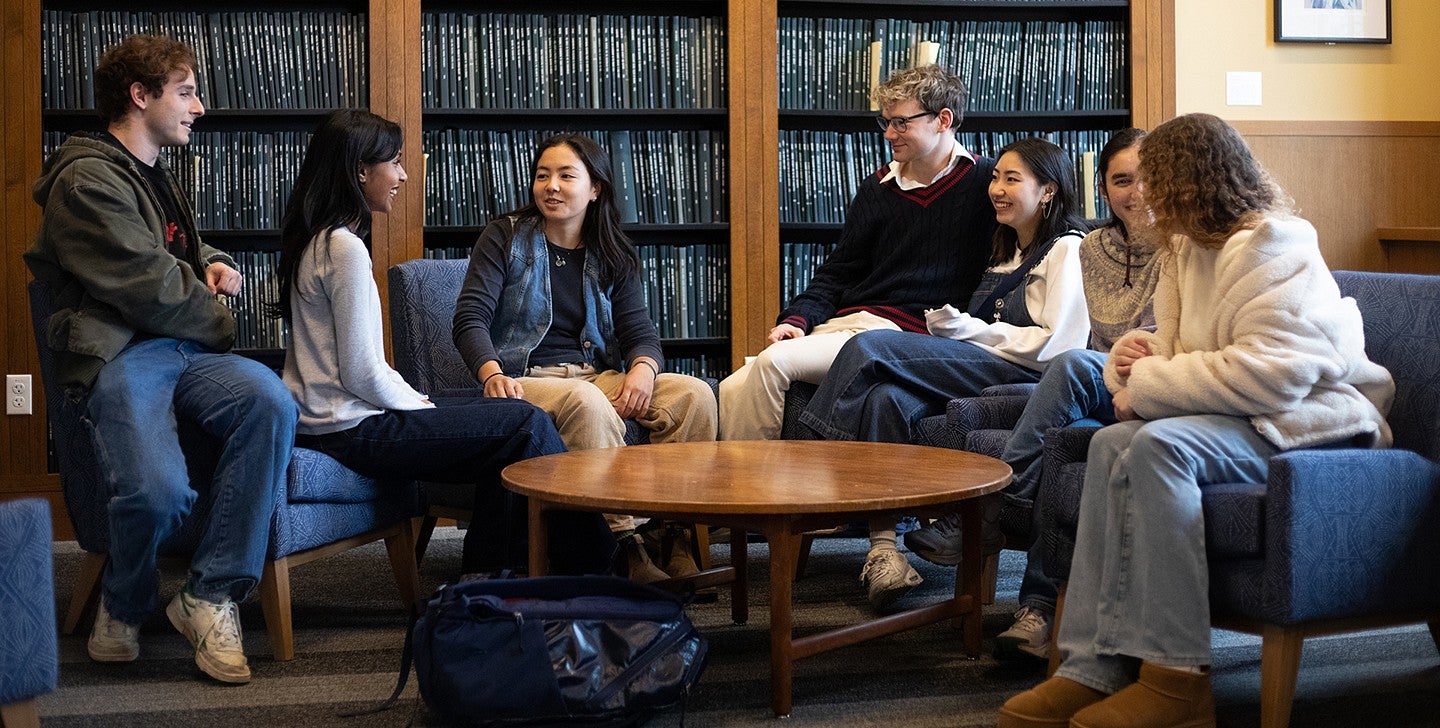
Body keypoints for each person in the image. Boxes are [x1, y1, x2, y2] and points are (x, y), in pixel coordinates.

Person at [997, 113, 1394, 728]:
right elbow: (1190, 352)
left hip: (1310, 422)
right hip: (1244, 416)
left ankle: (1178, 681)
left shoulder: (1274, 242)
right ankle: (1091, 667)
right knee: (1110, 445)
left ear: (1191, 183)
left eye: (1153, 181)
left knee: (1158, 448)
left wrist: (1147, 385)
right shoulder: (1186, 248)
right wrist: (1135, 360)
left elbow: (1277, 373)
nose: (1143, 197)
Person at [25, 34, 296, 684]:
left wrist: (210, 264)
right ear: (139, 96)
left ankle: (210, 594)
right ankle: (123, 602)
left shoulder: (154, 175)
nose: (199, 106)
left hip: (179, 348)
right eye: (185, 91)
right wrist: (212, 306)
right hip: (121, 352)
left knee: (270, 402)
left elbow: (179, 252)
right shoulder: (85, 181)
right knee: (159, 493)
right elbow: (147, 283)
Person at [274, 111, 612, 579]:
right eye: (393, 162)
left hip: (335, 420)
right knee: (523, 426)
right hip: (351, 427)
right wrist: (419, 402)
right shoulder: (344, 248)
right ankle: (598, 569)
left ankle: (498, 573)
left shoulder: (318, 241)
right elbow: (361, 372)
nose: (403, 175)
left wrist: (415, 401)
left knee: (512, 427)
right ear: (360, 171)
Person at [798, 137, 1092, 609]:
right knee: (884, 398)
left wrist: (972, 331)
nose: (996, 187)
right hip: (984, 365)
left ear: (1050, 192)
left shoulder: (1066, 250)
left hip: (1023, 376)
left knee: (868, 347)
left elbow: (1061, 346)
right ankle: (885, 547)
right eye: (995, 176)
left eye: (1012, 179)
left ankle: (817, 467)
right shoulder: (1004, 250)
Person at [904, 128, 1163, 659]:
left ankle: (1024, 575)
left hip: (1151, 378)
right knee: (1064, 430)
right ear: (1104, 189)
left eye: (1145, 179)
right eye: (1119, 181)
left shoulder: (1181, 247)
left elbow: (1156, 339)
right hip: (1104, 379)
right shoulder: (1095, 249)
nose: (1133, 192)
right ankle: (1036, 611)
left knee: (1069, 380)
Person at [452, 133, 718, 583]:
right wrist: (490, 371)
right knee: (585, 401)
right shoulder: (506, 236)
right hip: (525, 377)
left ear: (595, 188)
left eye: (565, 175)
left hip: (597, 374)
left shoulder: (611, 249)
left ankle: (670, 532)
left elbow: (641, 333)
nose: (551, 186)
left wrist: (642, 370)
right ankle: (621, 544)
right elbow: (469, 317)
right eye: (542, 175)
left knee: (693, 394)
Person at [718, 63, 997, 442]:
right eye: (885, 122)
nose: (889, 135)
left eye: (901, 123)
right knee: (732, 388)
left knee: (772, 365)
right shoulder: (878, 187)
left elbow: (1043, 233)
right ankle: (762, 490)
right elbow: (839, 272)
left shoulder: (988, 184)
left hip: (906, 333)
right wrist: (798, 318)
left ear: (942, 119)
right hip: (852, 322)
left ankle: (753, 498)